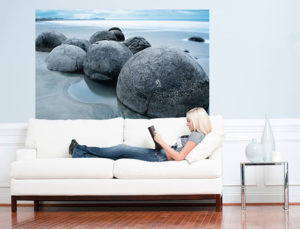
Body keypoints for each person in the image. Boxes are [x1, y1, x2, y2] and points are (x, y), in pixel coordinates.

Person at [69, 107, 212, 162]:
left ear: (197, 121)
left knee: (121, 149)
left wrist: (162, 142)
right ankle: (79, 153)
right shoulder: (196, 135)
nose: (187, 124)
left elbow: (179, 157)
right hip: (160, 153)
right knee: (118, 153)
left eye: (189, 121)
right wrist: (159, 143)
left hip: (160, 157)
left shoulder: (197, 136)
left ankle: (79, 149)